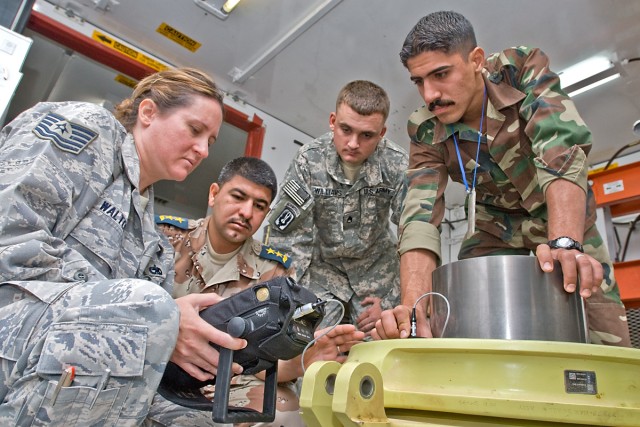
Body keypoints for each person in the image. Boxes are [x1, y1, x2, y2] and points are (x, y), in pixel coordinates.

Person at [0, 67, 250, 426]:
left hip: (58, 360)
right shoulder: (86, 129)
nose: (202, 150)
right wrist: (150, 315)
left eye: (210, 142)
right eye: (195, 130)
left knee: (204, 420)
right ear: (148, 113)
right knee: (152, 307)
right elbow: (10, 236)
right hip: (12, 327)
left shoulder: (154, 245)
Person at [372, 11, 631, 347]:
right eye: (419, 81)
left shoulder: (520, 69)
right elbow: (419, 217)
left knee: (603, 329)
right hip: (493, 226)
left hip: (558, 214)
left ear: (476, 60)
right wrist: (412, 306)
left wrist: (566, 242)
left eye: (440, 74)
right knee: (462, 322)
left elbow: (561, 149)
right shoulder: (424, 127)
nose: (429, 94)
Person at [148, 157, 365, 427]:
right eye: (238, 197)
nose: (246, 212)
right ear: (214, 194)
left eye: (259, 206)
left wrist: (302, 358)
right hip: (149, 363)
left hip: (222, 381)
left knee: (286, 412)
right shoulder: (163, 237)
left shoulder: (275, 274)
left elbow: (264, 365)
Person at [265, 80, 409, 335]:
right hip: (322, 271)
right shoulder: (309, 161)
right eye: (345, 129)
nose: (353, 143)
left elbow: (413, 234)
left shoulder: (396, 164)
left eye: (367, 135)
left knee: (381, 345)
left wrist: (390, 302)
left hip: (377, 272)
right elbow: (290, 239)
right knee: (307, 343)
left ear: (382, 133)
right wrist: (296, 298)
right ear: (332, 121)